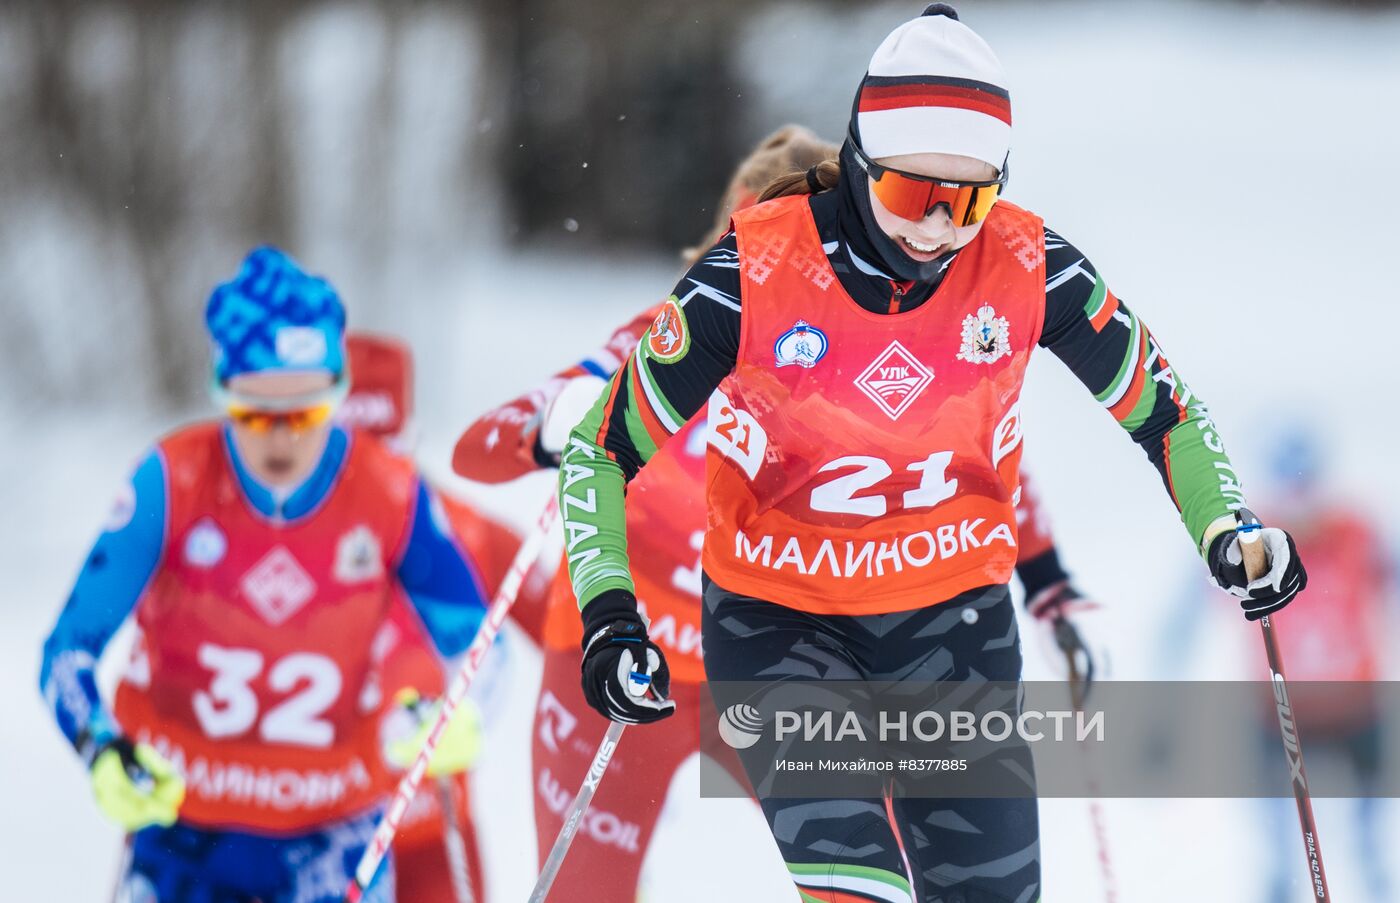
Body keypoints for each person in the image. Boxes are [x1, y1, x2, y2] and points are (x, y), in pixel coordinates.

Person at [555, 6, 1308, 902]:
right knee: (858, 890)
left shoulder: (1030, 265)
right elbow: (598, 452)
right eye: (914, 195)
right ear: (860, 157)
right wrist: (609, 615)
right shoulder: (751, 273)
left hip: (952, 633)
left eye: (969, 198)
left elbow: (1168, 412)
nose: (937, 230)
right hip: (783, 625)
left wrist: (1228, 526)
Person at [455, 124, 1105, 901]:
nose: (756, 283)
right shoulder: (660, 341)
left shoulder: (863, 344)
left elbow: (979, 471)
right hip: (634, 659)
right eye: (736, 251)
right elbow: (475, 449)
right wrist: (554, 422)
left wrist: (1053, 589)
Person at [39, 248, 489, 903]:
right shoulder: (172, 482)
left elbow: (482, 641)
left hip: (335, 833)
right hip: (183, 828)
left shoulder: (389, 493)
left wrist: (460, 710)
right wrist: (101, 747)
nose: (280, 439)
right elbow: (66, 650)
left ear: (338, 395)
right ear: (222, 393)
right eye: (252, 412)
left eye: (305, 413)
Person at [1158, 427, 1393, 903]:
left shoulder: (1356, 532)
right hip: (1280, 716)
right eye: (1290, 485)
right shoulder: (1251, 543)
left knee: (1371, 848)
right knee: (1281, 857)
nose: (1300, 500)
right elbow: (1186, 612)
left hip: (1356, 709)